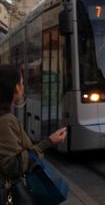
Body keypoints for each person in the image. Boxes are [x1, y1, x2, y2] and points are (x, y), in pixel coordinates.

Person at [0, 65, 67, 203]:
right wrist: (49, 142)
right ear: (17, 87)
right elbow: (13, 166)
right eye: (22, 83)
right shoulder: (6, 121)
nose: (23, 87)